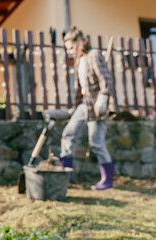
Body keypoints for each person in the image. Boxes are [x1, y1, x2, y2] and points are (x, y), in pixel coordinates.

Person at [60, 26, 115, 190]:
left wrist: (104, 97)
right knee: (68, 134)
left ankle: (107, 180)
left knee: (96, 142)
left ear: (80, 41)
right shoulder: (79, 60)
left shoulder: (93, 55)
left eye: (71, 47)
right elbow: (80, 89)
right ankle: (66, 173)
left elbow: (106, 78)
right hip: (84, 104)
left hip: (97, 105)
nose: (70, 52)